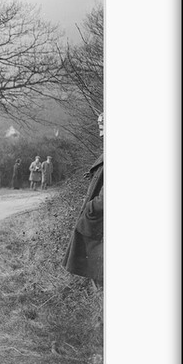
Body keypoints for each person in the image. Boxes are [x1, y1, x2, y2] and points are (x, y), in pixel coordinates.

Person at [63, 112, 104, 288]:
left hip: (100, 223)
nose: (101, 133)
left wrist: (92, 208)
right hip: (96, 224)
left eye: (103, 127)